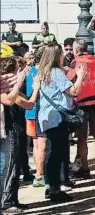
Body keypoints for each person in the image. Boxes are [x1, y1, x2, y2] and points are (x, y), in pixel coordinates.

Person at [36, 43, 86, 202]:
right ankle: (55, 189)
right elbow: (73, 91)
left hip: (47, 116)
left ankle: (51, 186)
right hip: (57, 117)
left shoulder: (43, 72)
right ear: (56, 56)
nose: (64, 55)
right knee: (57, 153)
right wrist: (81, 76)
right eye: (61, 53)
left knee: (52, 152)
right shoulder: (56, 72)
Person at [0, 46, 29, 215]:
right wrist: (19, 82)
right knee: (6, 169)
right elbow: (10, 100)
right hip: (8, 129)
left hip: (3, 129)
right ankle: (7, 202)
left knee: (3, 171)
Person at [68, 39, 95, 178]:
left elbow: (69, 79)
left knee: (82, 137)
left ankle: (85, 168)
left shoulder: (76, 62)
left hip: (82, 104)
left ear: (76, 50)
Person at [25, 48, 46, 188]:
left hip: (29, 111)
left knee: (36, 145)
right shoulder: (44, 72)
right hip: (40, 111)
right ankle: (40, 175)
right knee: (42, 145)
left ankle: (38, 174)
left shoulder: (28, 71)